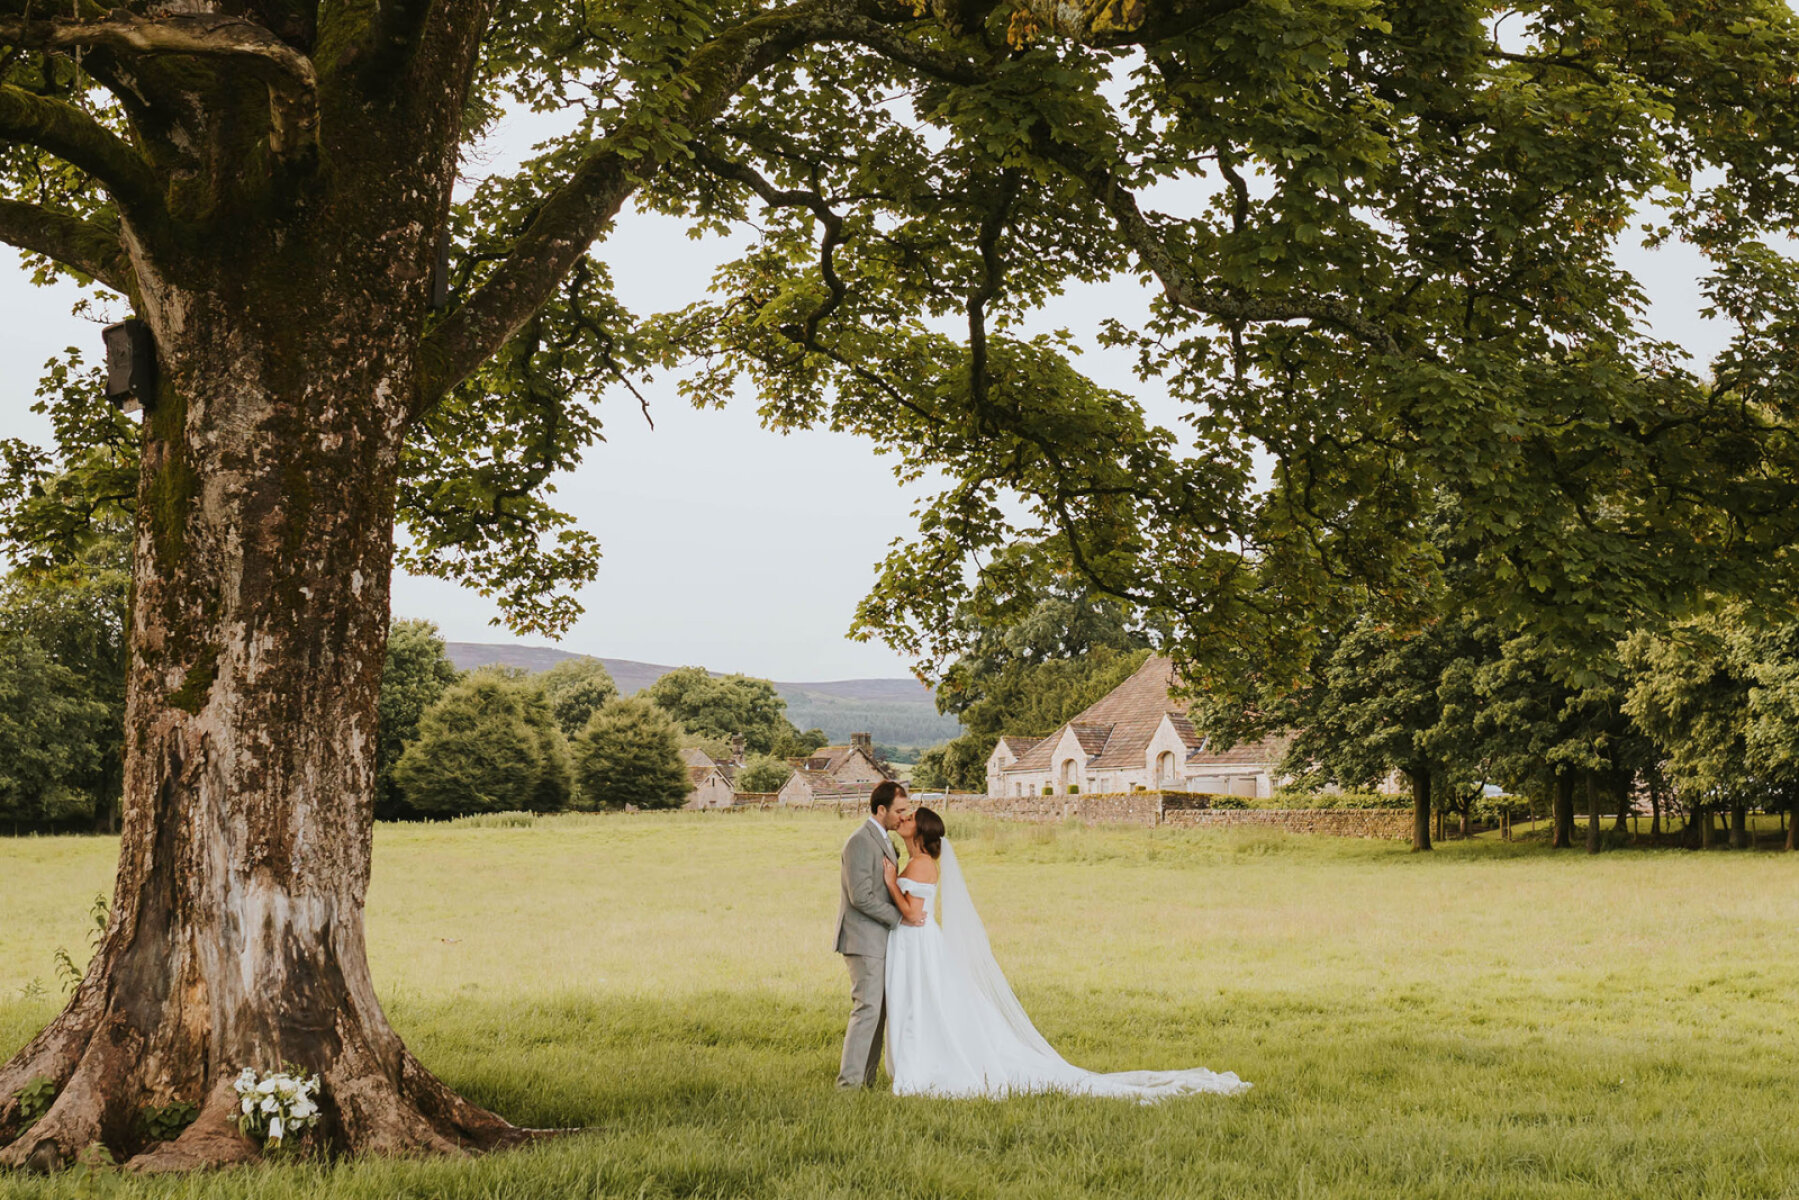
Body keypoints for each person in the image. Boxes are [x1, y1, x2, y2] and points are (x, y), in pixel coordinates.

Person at [878, 805, 1250, 1101]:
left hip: (920, 943)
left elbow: (911, 913)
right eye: (903, 815)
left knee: (926, 1004)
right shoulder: (915, 861)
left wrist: (891, 883)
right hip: (915, 945)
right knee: (923, 1004)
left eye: (910, 818)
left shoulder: (922, 865)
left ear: (921, 832)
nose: (903, 818)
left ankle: (929, 1062)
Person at [833, 780, 922, 1089]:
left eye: (906, 810)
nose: (904, 816)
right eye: (899, 811)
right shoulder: (859, 841)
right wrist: (900, 917)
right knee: (867, 1010)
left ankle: (866, 1082)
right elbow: (860, 897)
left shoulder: (882, 838)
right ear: (881, 809)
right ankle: (848, 1086)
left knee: (879, 1012)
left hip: (879, 940)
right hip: (862, 940)